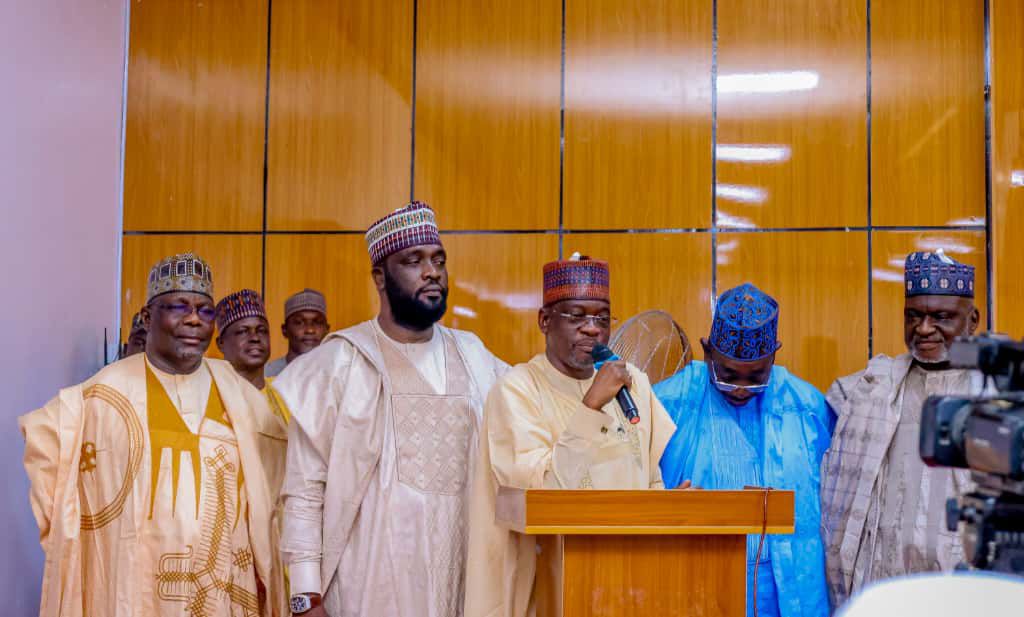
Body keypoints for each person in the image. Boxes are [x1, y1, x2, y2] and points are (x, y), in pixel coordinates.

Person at [19, 253, 288, 617]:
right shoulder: (102, 395)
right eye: (178, 306)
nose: (193, 319)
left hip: (222, 592)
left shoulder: (242, 397)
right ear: (148, 317)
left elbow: (280, 492)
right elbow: (47, 446)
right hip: (133, 590)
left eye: (205, 310)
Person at [274, 201, 507, 617]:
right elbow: (305, 491)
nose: (432, 271)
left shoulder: (475, 356)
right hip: (371, 586)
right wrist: (306, 594)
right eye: (413, 261)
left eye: (438, 260)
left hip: (466, 583)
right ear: (379, 276)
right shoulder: (338, 363)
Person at [464, 253, 677, 617]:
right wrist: (592, 404)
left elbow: (648, 480)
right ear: (545, 320)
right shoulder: (516, 391)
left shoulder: (633, 384)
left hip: (627, 585)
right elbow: (542, 495)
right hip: (551, 592)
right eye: (577, 316)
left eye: (602, 317)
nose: (593, 329)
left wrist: (674, 509)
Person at [656, 283, 834, 617]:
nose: (740, 388)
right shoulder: (668, 402)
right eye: (727, 375)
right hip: (697, 578)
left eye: (756, 377)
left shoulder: (805, 405)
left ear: (774, 356)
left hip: (785, 583)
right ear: (707, 352)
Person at [821, 250, 983, 608]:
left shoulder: (997, 400)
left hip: (963, 589)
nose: (924, 329)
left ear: (972, 321)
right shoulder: (865, 390)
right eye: (914, 316)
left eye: (941, 316)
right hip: (882, 584)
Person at [216, 288, 291, 423]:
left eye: (261, 331)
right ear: (221, 343)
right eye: (243, 331)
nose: (255, 338)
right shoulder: (211, 395)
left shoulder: (284, 394)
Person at [264, 289, 329, 378]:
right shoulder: (266, 375)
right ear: (284, 330)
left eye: (317, 322)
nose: (310, 330)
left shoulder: (338, 375)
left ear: (327, 330)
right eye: (299, 322)